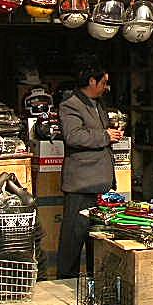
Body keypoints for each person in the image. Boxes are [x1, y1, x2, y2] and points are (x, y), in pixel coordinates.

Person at [57, 66, 123, 279]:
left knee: (98, 237)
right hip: (81, 185)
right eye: (103, 82)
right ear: (92, 81)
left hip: (101, 184)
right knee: (73, 238)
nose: (106, 87)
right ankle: (67, 281)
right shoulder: (70, 105)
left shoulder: (99, 104)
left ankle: (97, 280)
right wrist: (105, 136)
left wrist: (111, 134)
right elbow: (73, 136)